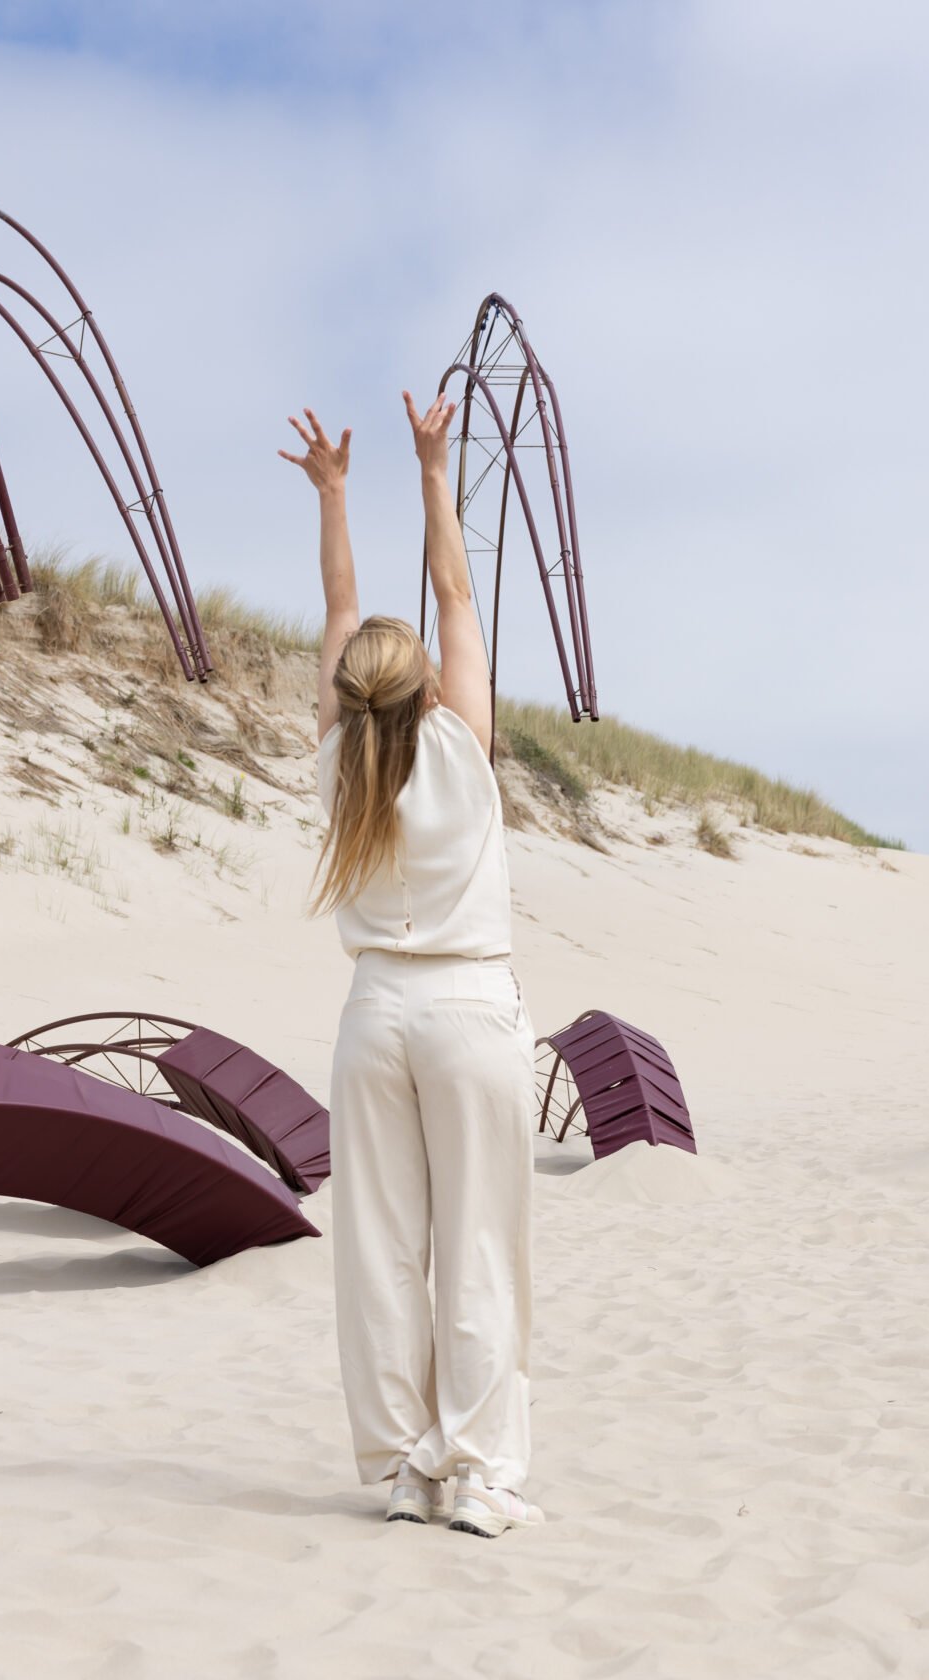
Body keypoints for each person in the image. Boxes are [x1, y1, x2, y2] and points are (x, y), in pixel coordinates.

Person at [278, 393, 542, 1539]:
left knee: (382, 1250)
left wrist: (332, 494)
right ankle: (477, 1473)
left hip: (375, 1016)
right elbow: (456, 593)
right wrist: (434, 467)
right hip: (470, 1008)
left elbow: (340, 605)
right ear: (427, 684)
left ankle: (401, 1469)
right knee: (477, 1246)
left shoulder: (339, 761)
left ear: (350, 695)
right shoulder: (461, 742)